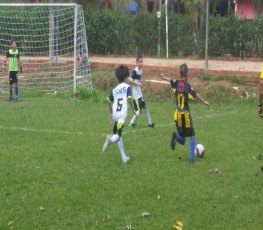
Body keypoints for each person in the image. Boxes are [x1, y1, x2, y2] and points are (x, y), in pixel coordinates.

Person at [161, 63, 209, 164]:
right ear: (186, 74)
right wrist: (204, 101)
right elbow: (196, 94)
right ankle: (191, 160)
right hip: (185, 115)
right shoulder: (187, 86)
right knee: (192, 135)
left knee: (182, 140)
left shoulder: (176, 83)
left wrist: (164, 77)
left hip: (177, 114)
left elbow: (170, 80)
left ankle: (176, 138)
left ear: (180, 74)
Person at [102, 65, 136, 163]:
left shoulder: (115, 90)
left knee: (119, 135)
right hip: (121, 116)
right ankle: (110, 140)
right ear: (126, 77)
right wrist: (133, 109)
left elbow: (108, 101)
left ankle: (123, 158)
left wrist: (111, 113)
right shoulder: (127, 87)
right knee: (117, 136)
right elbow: (129, 98)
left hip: (115, 114)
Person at [128, 54, 154, 128]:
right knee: (138, 112)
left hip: (139, 93)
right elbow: (129, 80)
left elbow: (138, 81)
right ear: (136, 62)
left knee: (145, 107)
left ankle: (150, 123)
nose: (141, 63)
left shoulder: (140, 71)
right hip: (135, 94)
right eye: (140, 62)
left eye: (142, 62)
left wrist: (139, 84)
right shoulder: (135, 71)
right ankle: (131, 123)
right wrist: (138, 83)